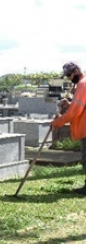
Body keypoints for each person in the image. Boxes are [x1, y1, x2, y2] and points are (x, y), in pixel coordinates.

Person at [51, 61, 86, 194]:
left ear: (76, 71)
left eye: (69, 75)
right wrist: (69, 103)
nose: (69, 78)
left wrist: (57, 122)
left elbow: (75, 111)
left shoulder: (82, 85)